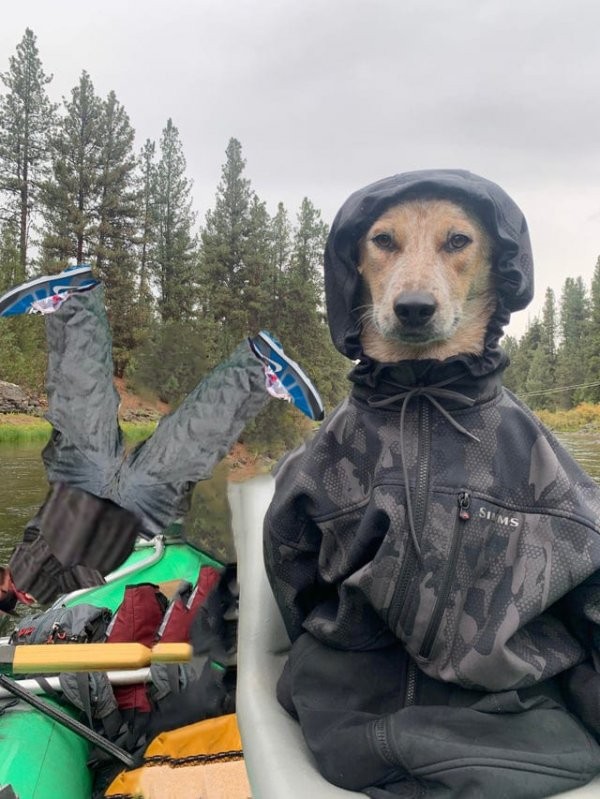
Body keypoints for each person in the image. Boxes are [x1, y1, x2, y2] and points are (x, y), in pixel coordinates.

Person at [0, 266, 324, 613]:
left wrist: (23, 580)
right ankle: (257, 369)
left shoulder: (28, 575)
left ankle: (76, 304)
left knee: (93, 432)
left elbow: (48, 553)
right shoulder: (47, 586)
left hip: (90, 508)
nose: (8, 597)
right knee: (179, 448)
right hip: (131, 519)